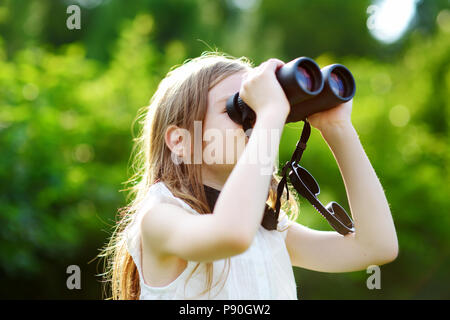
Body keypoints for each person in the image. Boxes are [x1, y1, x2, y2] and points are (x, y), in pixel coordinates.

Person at [100, 52, 398, 300]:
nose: (257, 119)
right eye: (239, 107)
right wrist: (269, 112)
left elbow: (376, 247)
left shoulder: (267, 229)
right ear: (180, 141)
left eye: (258, 106)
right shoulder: (160, 219)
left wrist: (338, 128)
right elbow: (230, 234)